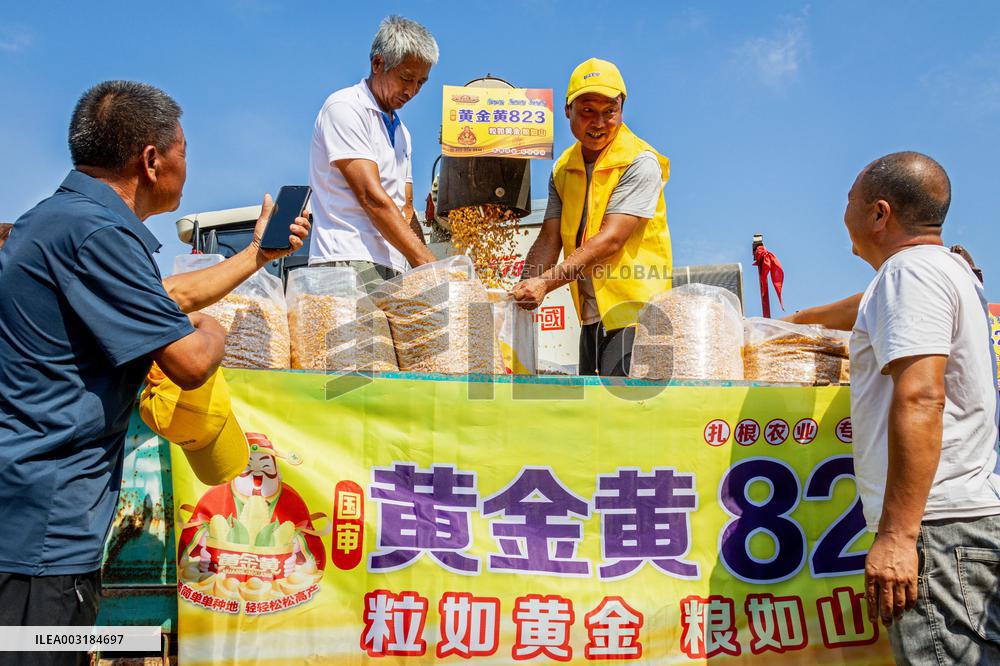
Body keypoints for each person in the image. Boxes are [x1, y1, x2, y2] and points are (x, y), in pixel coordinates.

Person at [0, 80, 308, 661]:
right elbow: (190, 363)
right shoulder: (102, 234)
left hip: (26, 508)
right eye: (183, 151)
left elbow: (167, 296)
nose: (187, 166)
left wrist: (258, 256)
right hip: (45, 530)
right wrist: (214, 329)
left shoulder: (57, 219)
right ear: (151, 160)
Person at [805, 152, 1000, 663]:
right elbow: (859, 307)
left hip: (936, 531)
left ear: (879, 213)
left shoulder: (908, 274)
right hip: (957, 524)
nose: (843, 211)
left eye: (850, 199)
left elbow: (922, 397)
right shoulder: (942, 270)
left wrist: (896, 536)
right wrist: (790, 323)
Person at [512, 58, 672, 376]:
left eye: (609, 111)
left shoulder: (639, 161)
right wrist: (524, 287)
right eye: (587, 111)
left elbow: (611, 239)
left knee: (628, 404)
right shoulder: (563, 169)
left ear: (621, 110)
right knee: (594, 406)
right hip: (590, 319)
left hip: (635, 317)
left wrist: (545, 283)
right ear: (567, 110)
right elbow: (549, 238)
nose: (599, 122)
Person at [308, 15, 438, 293]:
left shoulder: (402, 133)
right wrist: (429, 265)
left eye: (421, 83)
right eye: (406, 78)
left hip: (393, 266)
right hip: (347, 259)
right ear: (378, 64)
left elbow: (406, 209)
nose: (412, 91)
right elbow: (371, 197)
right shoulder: (345, 107)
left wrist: (427, 269)